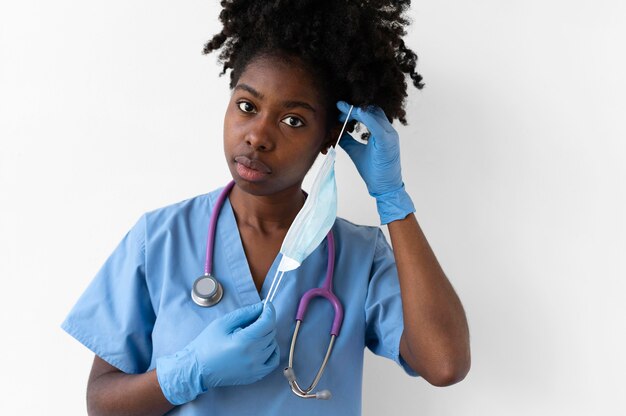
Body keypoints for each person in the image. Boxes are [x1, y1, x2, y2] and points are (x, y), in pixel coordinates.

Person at [62, 1, 470, 414]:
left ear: (330, 136)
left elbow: (445, 364)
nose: (257, 136)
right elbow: (102, 405)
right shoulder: (160, 238)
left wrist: (392, 197)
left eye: (292, 120)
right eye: (247, 106)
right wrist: (191, 370)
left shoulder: (360, 256)